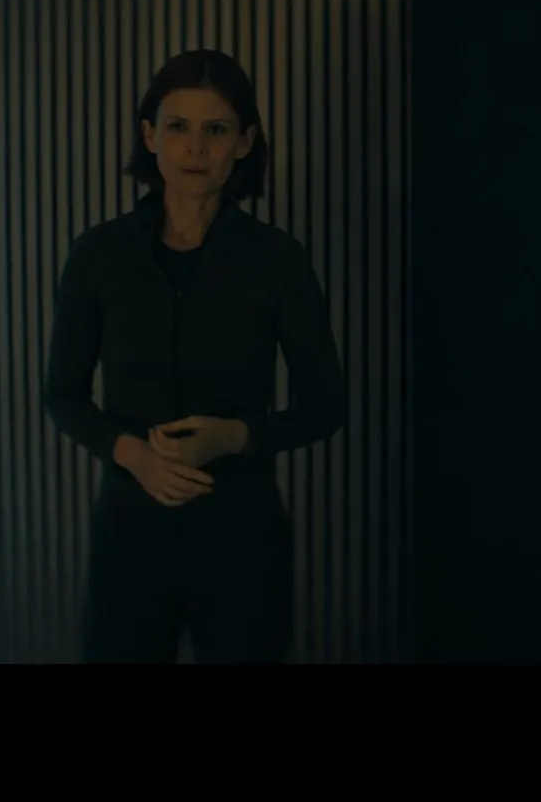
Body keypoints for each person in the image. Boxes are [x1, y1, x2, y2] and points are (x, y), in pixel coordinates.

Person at [43, 49, 347, 664]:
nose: (196, 148)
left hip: (243, 535)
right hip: (130, 531)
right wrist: (135, 456)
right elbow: (62, 394)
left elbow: (326, 404)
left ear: (244, 142)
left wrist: (235, 436)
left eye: (216, 129)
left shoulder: (277, 260)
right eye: (178, 127)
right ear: (150, 135)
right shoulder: (99, 254)